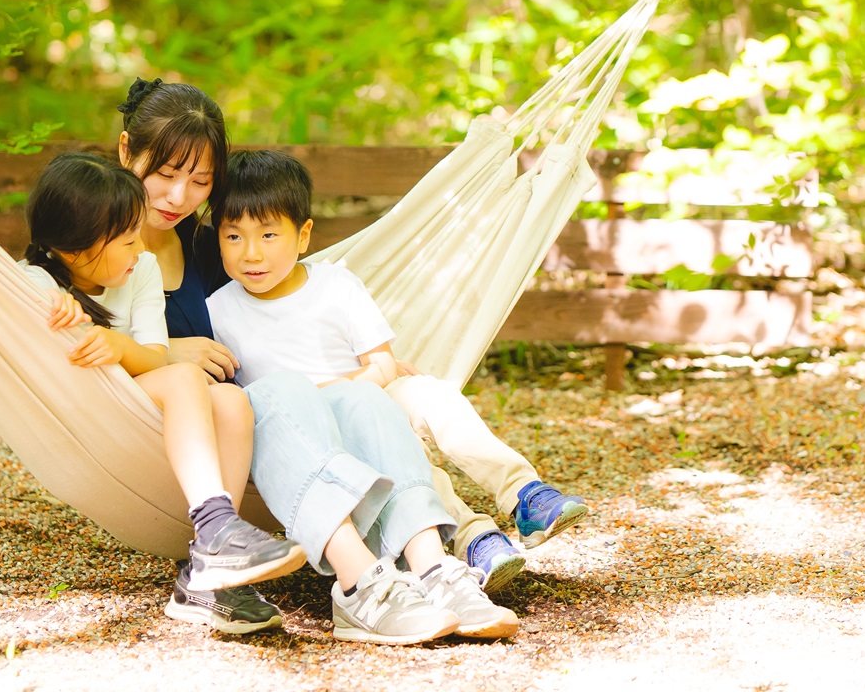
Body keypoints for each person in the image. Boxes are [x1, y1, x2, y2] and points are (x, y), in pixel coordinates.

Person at [108, 80, 519, 643]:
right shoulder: (97, 240)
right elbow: (79, 340)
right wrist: (167, 352)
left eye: (200, 182)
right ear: (127, 151)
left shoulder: (215, 250)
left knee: (355, 395)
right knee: (276, 392)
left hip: (269, 428)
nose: (179, 196)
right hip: (160, 431)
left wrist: (378, 366)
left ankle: (434, 570)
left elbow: (283, 303)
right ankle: (361, 583)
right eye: (165, 174)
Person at [207, 151, 590, 590]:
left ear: (303, 235)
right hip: (319, 439)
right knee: (400, 445)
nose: (251, 253)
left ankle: (524, 494)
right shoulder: (218, 313)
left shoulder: (336, 285)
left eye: (269, 234)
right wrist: (342, 389)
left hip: (371, 400)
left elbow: (384, 364)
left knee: (433, 395)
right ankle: (475, 538)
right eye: (233, 237)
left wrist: (360, 385)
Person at [18, 151, 304, 634]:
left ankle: (211, 570)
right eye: (126, 240)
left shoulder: (142, 269)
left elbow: (153, 355)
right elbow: (26, 319)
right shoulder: (35, 284)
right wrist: (48, 301)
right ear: (73, 248)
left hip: (142, 400)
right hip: (87, 412)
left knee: (231, 398)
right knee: (186, 376)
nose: (138, 249)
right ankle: (216, 530)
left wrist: (117, 344)